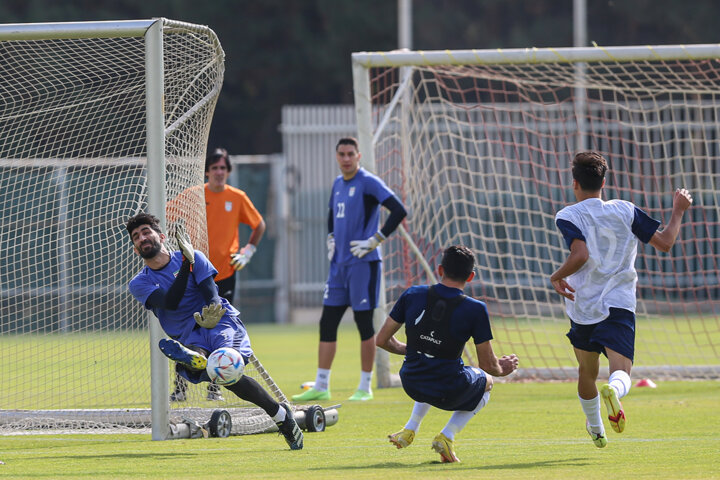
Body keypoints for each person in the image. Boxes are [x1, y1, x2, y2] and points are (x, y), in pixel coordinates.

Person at [550, 151, 692, 448]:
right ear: (604, 181)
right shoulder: (625, 210)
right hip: (618, 302)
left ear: (575, 183)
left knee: (586, 372)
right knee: (622, 371)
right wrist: (678, 210)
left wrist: (556, 276)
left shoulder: (567, 215)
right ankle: (614, 390)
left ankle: (596, 427)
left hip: (582, 305)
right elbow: (665, 243)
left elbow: (580, 254)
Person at [126, 213, 303, 450]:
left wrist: (212, 310)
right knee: (224, 373)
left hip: (220, 322)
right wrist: (187, 266)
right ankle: (280, 414)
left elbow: (211, 294)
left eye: (146, 231)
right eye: (136, 237)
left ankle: (197, 361)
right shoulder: (139, 282)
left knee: (224, 364)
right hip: (189, 334)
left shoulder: (195, 257)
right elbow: (171, 302)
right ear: (136, 250)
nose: (142, 238)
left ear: (162, 236)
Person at [375, 245, 519, 463]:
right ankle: (447, 436)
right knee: (487, 382)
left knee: (432, 368)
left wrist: (415, 349)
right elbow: (488, 366)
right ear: (470, 277)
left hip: (411, 382)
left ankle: (409, 429)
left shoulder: (412, 294)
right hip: (448, 388)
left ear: (440, 270)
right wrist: (502, 369)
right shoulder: (476, 309)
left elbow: (382, 340)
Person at [292, 137, 407, 402]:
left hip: (363, 265)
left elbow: (399, 210)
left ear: (359, 156)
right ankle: (321, 385)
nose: (346, 158)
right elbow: (332, 214)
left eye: (350, 154)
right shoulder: (337, 183)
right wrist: (331, 238)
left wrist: (376, 240)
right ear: (337, 157)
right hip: (339, 266)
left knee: (363, 323)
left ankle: (365, 387)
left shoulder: (368, 182)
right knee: (327, 323)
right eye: (341, 154)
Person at [170, 147, 266, 402]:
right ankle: (180, 387)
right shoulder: (193, 195)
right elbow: (167, 216)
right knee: (189, 327)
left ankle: (215, 386)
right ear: (207, 171)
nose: (219, 172)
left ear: (228, 171)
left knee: (222, 329)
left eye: (223, 168)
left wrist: (248, 250)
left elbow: (259, 224)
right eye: (215, 168)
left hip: (224, 273)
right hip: (194, 275)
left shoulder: (236, 197)